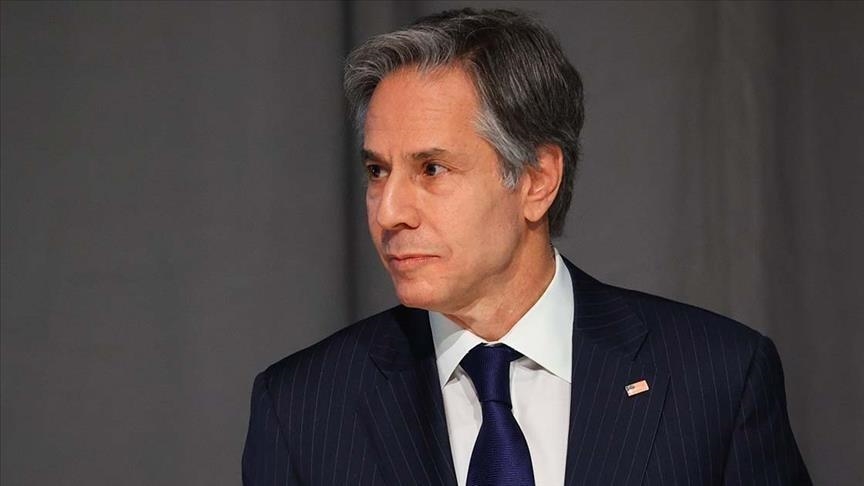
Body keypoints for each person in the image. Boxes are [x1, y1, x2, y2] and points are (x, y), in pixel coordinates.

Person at [242, 8, 810, 486]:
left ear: (537, 181)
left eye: (432, 169)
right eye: (377, 170)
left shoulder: (716, 378)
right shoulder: (302, 408)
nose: (389, 211)